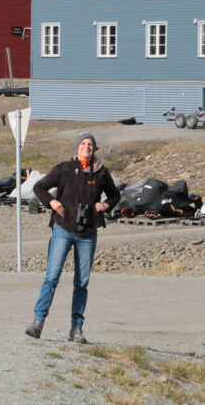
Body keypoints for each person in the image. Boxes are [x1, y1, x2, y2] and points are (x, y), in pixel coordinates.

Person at [25, 132, 120, 344]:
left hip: (88, 233)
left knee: (82, 282)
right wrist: (52, 202)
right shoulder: (64, 169)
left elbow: (115, 195)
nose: (87, 147)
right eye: (83, 144)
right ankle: (37, 322)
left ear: (94, 149)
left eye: (90, 144)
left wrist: (105, 205)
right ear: (77, 148)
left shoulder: (101, 172)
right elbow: (39, 187)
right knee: (52, 277)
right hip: (63, 228)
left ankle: (76, 329)